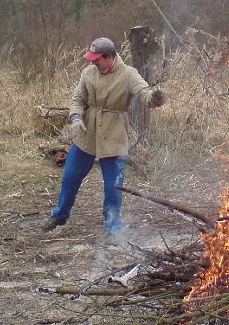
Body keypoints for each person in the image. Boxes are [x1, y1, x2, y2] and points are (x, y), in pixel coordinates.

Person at [42, 37, 167, 240]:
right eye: (91, 59)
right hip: (86, 132)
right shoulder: (88, 72)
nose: (93, 63)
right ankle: (60, 215)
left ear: (110, 57)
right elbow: (77, 99)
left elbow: (144, 93)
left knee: (113, 186)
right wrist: (75, 117)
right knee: (70, 177)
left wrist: (155, 98)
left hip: (114, 134)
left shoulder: (129, 74)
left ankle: (113, 228)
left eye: (97, 59)